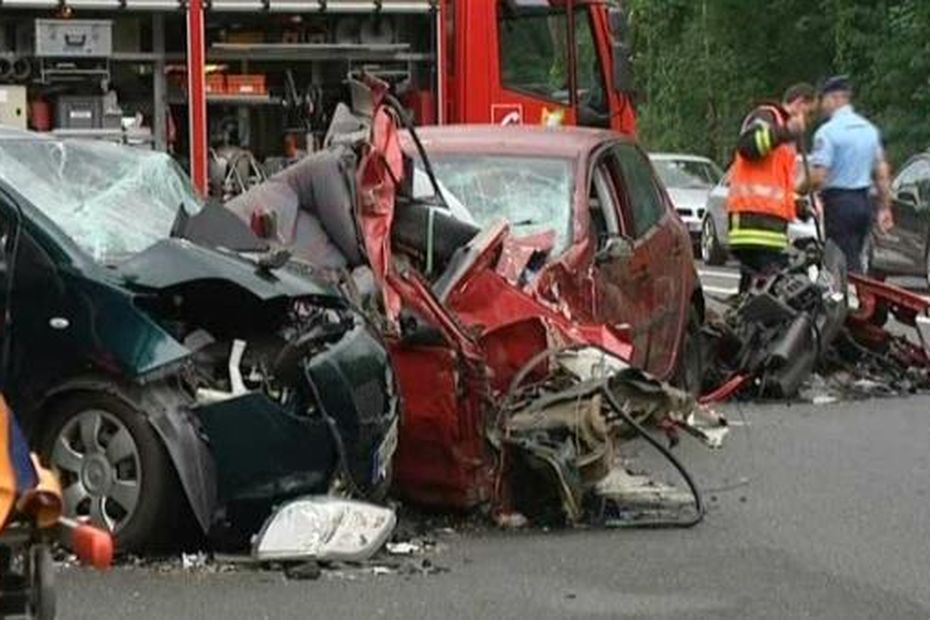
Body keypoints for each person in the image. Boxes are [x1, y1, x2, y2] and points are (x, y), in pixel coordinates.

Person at [727, 83, 817, 292]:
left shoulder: (785, 135)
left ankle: (741, 318)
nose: (809, 121)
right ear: (799, 103)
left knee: (758, 288)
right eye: (809, 113)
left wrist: (799, 207)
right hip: (752, 224)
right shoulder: (767, 116)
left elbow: (776, 186)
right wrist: (785, 131)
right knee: (772, 285)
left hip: (768, 228)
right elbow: (747, 147)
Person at [808, 75, 892, 273]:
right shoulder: (869, 130)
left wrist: (799, 186)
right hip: (863, 202)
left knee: (839, 260)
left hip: (838, 203)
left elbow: (819, 175)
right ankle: (859, 296)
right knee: (856, 253)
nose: (822, 105)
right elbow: (882, 173)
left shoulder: (827, 132)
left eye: (825, 99)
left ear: (836, 98)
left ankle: (856, 300)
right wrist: (884, 207)